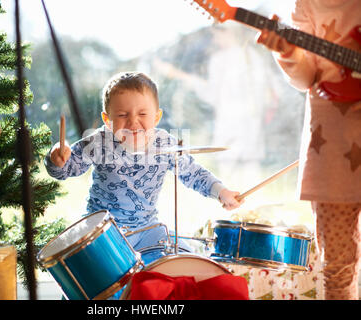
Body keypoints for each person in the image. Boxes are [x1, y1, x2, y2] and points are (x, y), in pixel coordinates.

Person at [45, 71, 243, 253]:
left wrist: (221, 192)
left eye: (142, 114)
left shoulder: (165, 143)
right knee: (98, 283)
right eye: (122, 115)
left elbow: (193, 173)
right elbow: (67, 170)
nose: (133, 122)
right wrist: (57, 160)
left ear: (156, 117)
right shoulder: (99, 141)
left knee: (181, 258)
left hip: (148, 230)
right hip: (101, 232)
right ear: (107, 119)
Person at [256, 0, 361, 300]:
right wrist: (287, 52)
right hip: (329, 148)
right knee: (338, 266)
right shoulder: (306, 5)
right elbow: (305, 79)